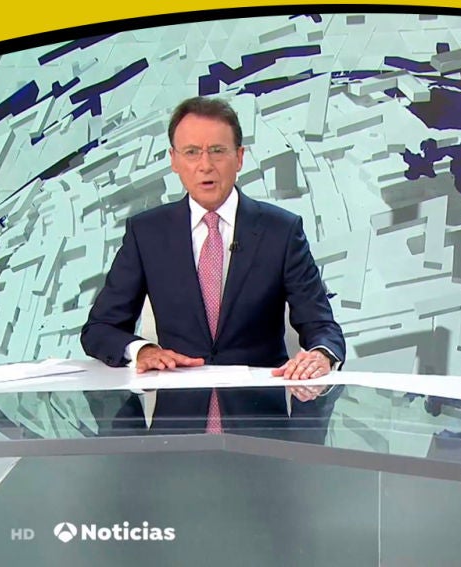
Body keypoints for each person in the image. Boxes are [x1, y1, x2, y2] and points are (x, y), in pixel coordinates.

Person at [81, 96, 346, 435]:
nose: (205, 165)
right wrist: (142, 350)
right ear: (174, 160)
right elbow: (100, 328)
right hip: (176, 432)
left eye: (217, 151)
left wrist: (321, 355)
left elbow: (321, 324)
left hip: (260, 429)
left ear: (239, 157)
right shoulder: (146, 233)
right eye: (192, 152)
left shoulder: (281, 231)